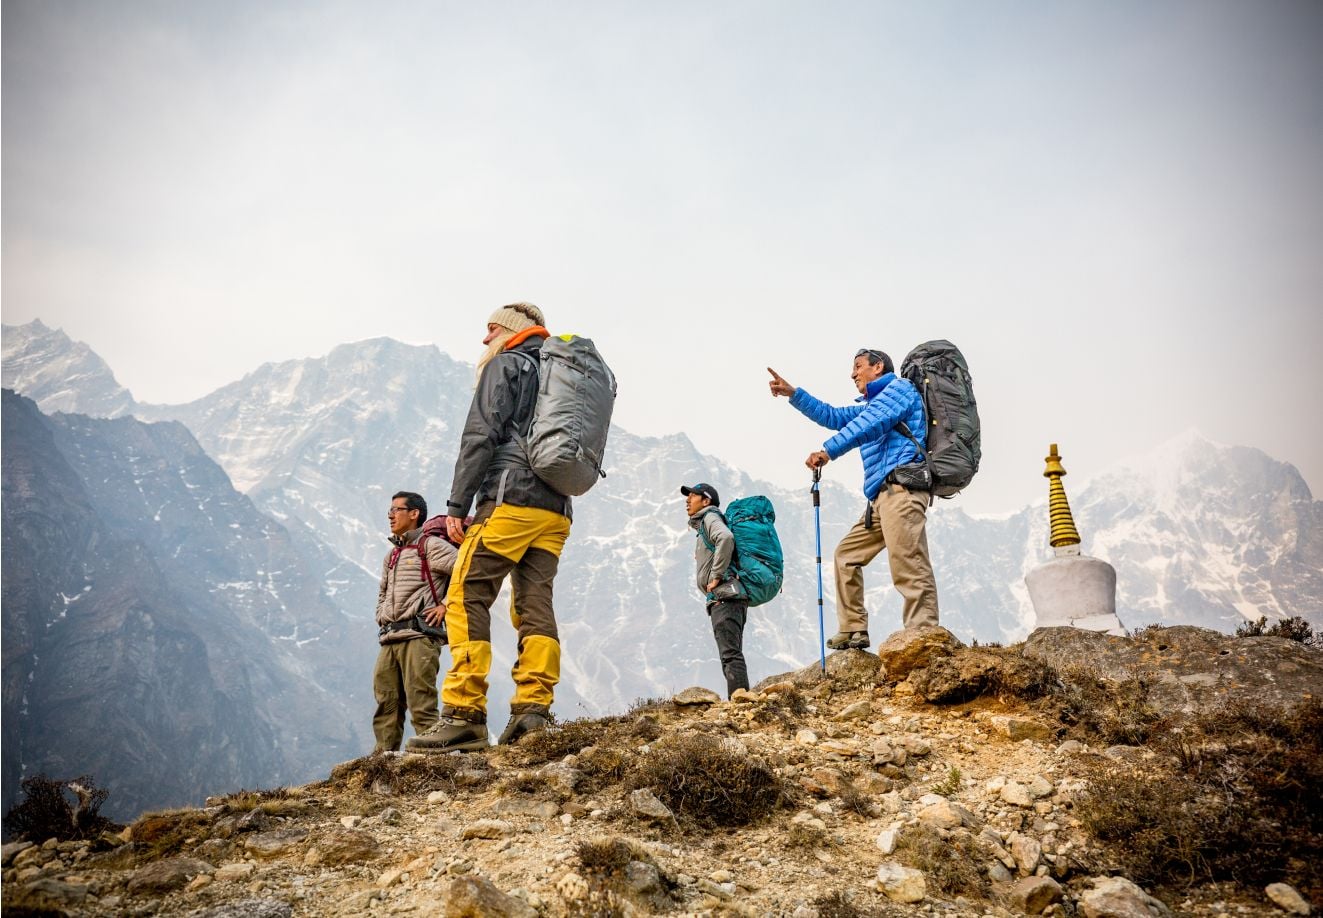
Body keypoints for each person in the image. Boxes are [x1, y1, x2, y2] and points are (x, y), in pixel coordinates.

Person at [407, 303, 572, 752]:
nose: (485, 339)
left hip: (509, 500)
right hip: (556, 510)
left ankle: (464, 714)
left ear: (511, 332)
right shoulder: (562, 373)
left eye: (492, 329)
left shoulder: (508, 364)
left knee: (465, 594)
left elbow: (480, 435)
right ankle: (533, 711)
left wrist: (458, 505)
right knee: (535, 603)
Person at [767, 349, 939, 647]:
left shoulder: (899, 390)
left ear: (878, 366)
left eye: (858, 367)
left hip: (902, 491)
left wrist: (827, 451)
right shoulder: (873, 405)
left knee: (908, 564)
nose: (853, 374)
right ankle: (853, 629)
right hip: (880, 499)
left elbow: (866, 425)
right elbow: (834, 416)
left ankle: (923, 636)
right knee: (846, 556)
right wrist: (793, 394)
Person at [373, 491, 456, 752]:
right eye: (390, 509)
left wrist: (447, 605)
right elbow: (383, 593)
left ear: (414, 514)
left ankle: (432, 762)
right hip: (389, 639)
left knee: (422, 704)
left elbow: (469, 573)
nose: (390, 515)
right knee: (386, 704)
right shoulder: (392, 556)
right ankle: (383, 762)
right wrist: (381, 615)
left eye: (396, 509)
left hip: (420, 637)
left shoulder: (431, 546)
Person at [681, 482, 750, 698]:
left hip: (725, 596)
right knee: (730, 653)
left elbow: (726, 538)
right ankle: (740, 698)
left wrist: (716, 575)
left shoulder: (710, 517)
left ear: (706, 500)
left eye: (692, 496)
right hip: (726, 597)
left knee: (730, 654)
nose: (687, 500)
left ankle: (740, 702)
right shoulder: (705, 524)